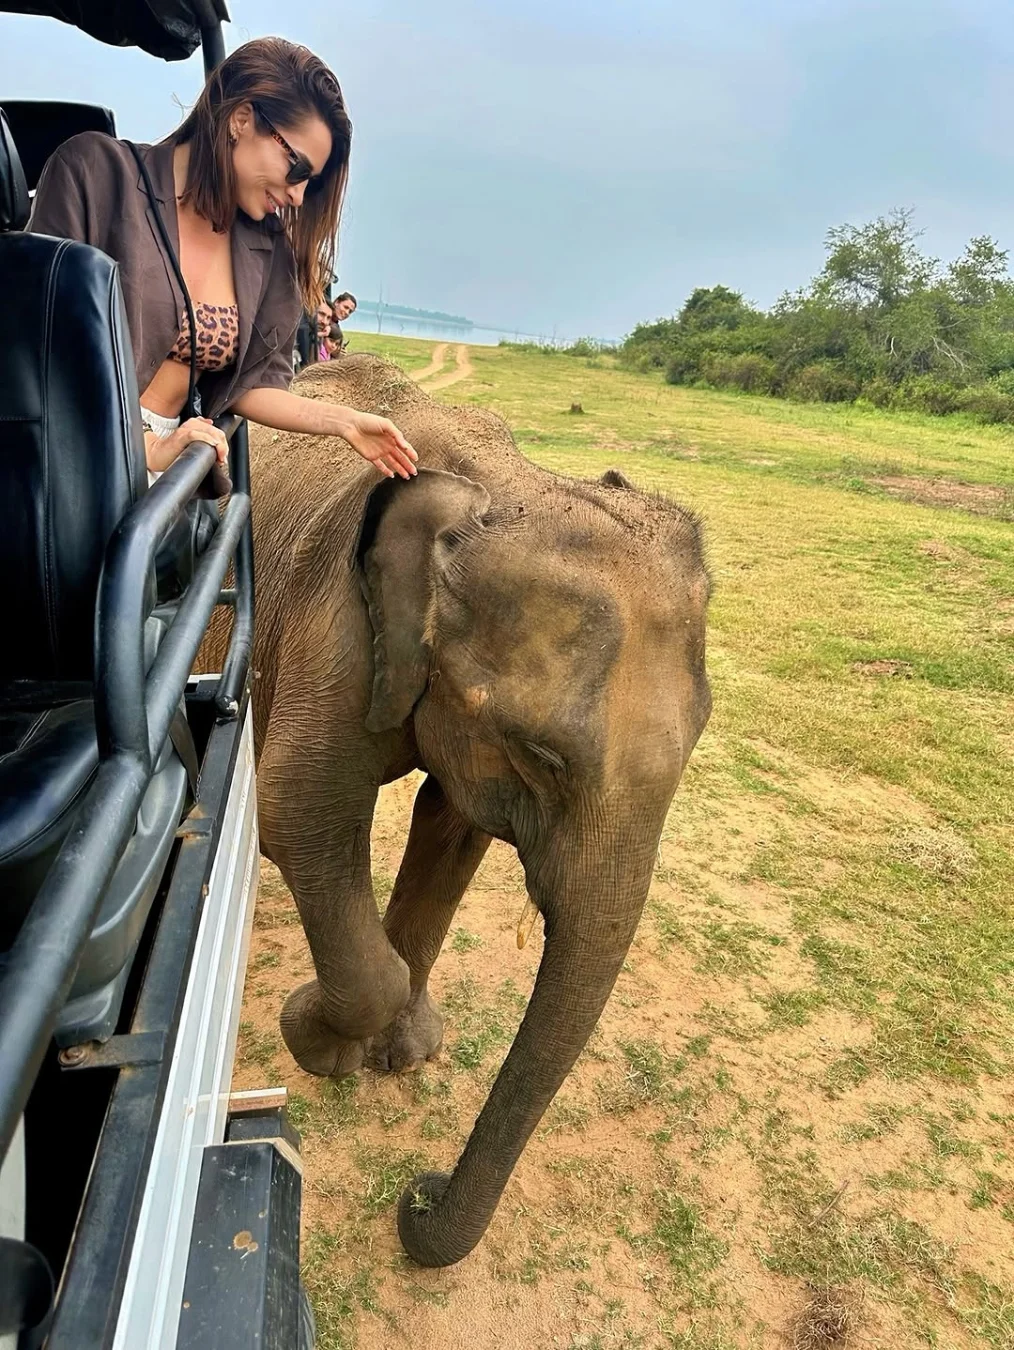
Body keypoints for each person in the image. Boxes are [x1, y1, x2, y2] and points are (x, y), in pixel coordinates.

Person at [28, 37, 417, 483]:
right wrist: (146, 446)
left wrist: (344, 421)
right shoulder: (94, 175)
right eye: (297, 169)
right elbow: (42, 352)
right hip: (65, 462)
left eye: (311, 183)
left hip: (171, 475)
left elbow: (256, 385)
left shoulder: (269, 252)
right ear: (241, 119)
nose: (297, 195)